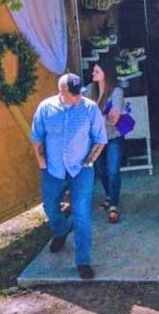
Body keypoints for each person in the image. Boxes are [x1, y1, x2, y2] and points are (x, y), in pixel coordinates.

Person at [30, 74, 107, 280]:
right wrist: (42, 165)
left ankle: (83, 261)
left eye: (79, 93)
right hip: (53, 170)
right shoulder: (46, 108)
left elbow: (100, 140)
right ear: (61, 91)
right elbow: (37, 138)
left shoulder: (90, 108)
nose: (77, 98)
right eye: (72, 95)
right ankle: (62, 229)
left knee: (82, 214)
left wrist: (88, 163)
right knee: (50, 207)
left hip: (80, 171)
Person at [83, 60, 125, 223]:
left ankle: (114, 204)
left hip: (113, 136)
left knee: (113, 170)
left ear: (106, 73)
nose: (93, 74)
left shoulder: (116, 91)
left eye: (97, 71)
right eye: (93, 71)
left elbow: (114, 118)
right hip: (95, 139)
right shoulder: (88, 90)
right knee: (102, 171)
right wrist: (102, 118)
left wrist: (94, 119)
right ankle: (109, 195)